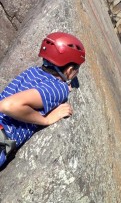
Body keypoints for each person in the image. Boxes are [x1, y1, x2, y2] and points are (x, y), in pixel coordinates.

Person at [0, 31, 85, 169]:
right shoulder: (58, 89)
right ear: (69, 70)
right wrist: (46, 120)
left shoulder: (32, 72)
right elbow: (8, 105)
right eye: (77, 69)